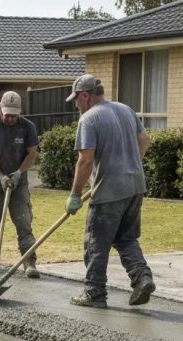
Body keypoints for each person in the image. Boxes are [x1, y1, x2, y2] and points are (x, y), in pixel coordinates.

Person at [64, 74, 155, 308]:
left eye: (76, 99)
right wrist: (130, 163)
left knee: (96, 242)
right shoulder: (125, 109)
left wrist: (75, 194)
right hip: (135, 186)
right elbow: (144, 139)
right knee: (126, 238)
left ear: (85, 96)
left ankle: (94, 293)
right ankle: (142, 277)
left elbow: (85, 161)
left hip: (109, 191)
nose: (76, 104)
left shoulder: (89, 118)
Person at [0, 91, 40, 278]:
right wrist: (2, 176)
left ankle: (29, 262)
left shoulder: (28, 127)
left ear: (20, 112)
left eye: (14, 115)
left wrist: (19, 173)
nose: (10, 118)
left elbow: (32, 154)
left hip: (19, 184)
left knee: (24, 223)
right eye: (7, 114)